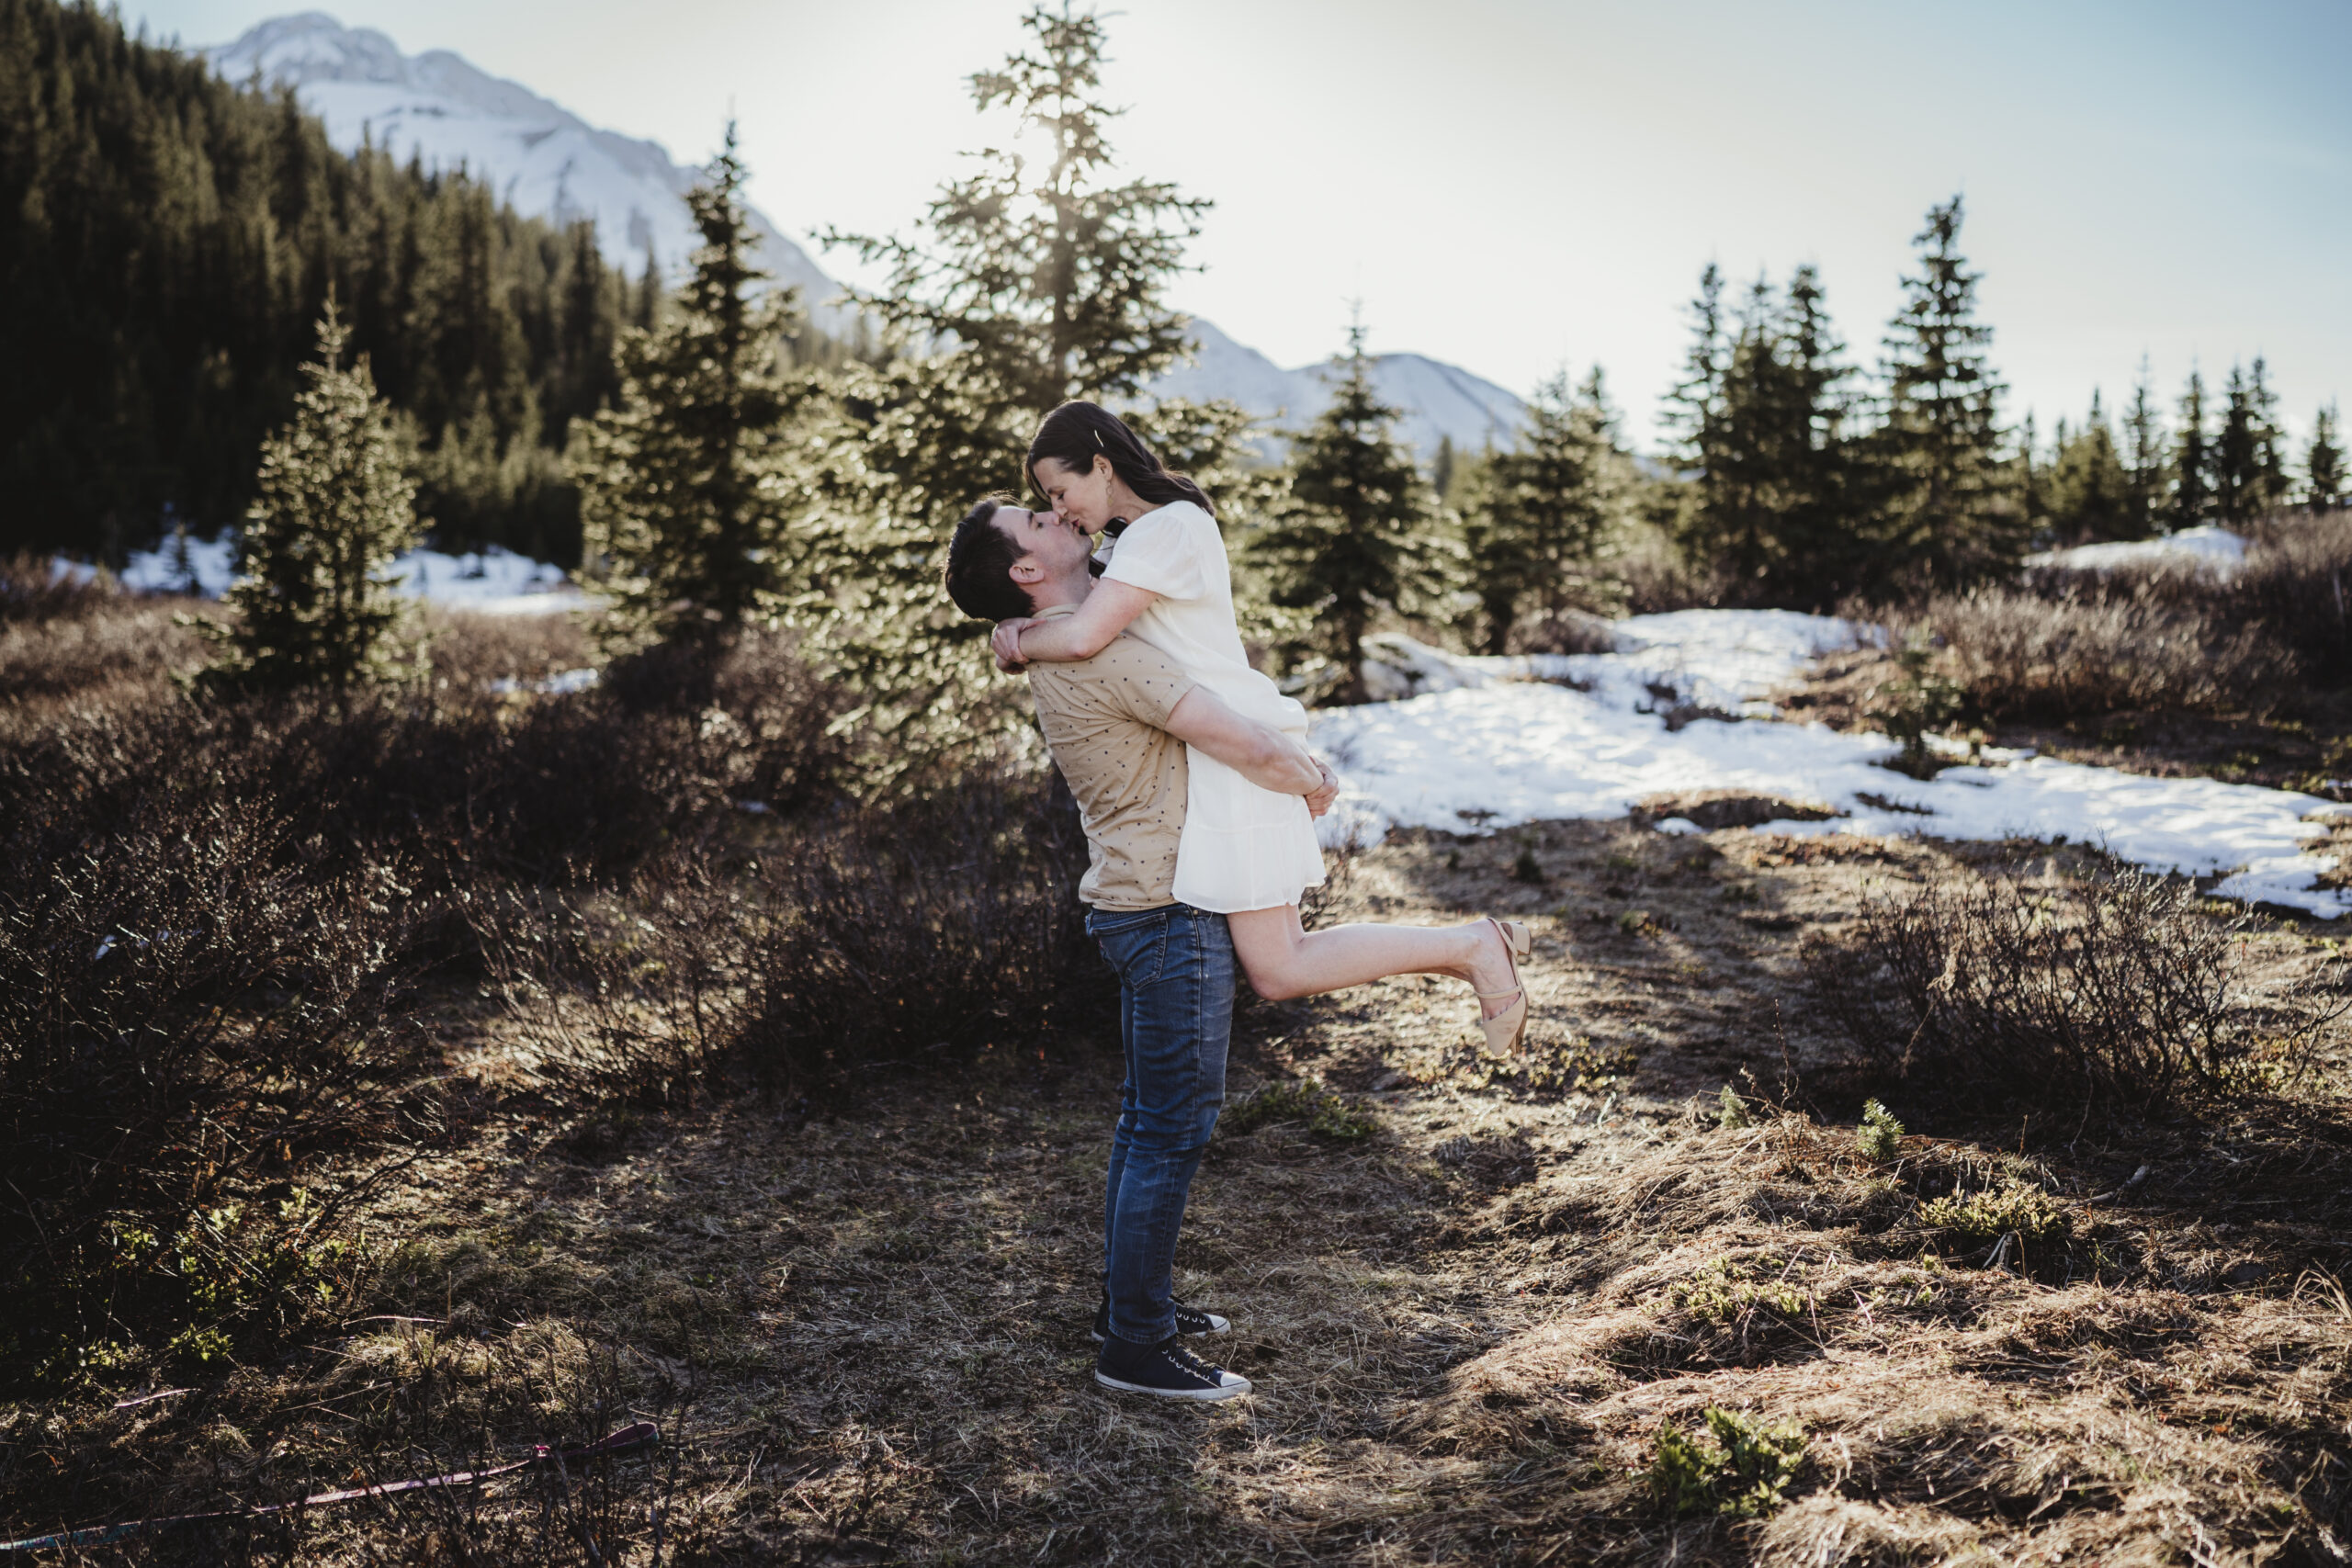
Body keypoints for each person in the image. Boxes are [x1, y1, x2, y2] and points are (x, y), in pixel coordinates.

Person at [945, 495, 1340, 1401]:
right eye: (1036, 522)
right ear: (1025, 572)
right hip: (1168, 910)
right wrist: (1311, 779)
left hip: (1143, 905)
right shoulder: (1107, 655)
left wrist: (1017, 635)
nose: (1057, 515)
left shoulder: (1076, 636)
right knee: (1169, 1126)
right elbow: (1233, 739)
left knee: (1146, 1119)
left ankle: (1131, 1306)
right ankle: (1136, 1349)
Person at [989, 400, 1532, 1053]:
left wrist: (1016, 637)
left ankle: (1475, 947)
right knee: (1281, 963)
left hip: (1239, 746)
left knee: (1281, 965)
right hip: (1224, 747)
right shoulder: (1130, 541)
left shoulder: (1167, 529)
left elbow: (1080, 637)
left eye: (1060, 490)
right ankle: (1474, 946)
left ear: (1102, 466)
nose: (1060, 508)